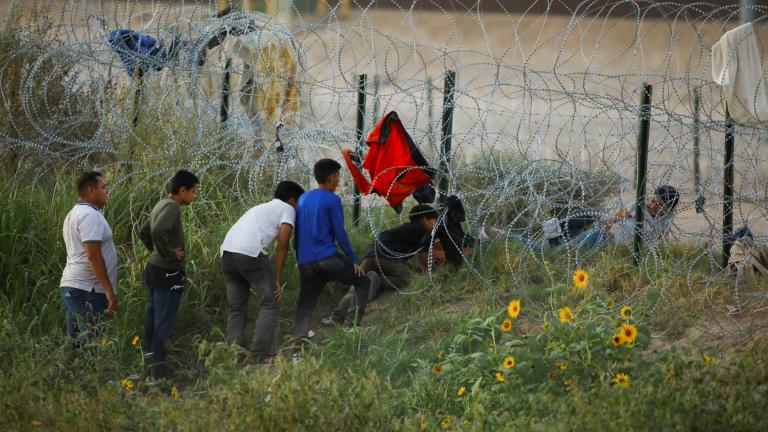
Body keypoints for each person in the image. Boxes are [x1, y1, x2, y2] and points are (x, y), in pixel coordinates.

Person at [220, 180, 305, 362]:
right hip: (250, 253)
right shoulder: (287, 209)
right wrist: (276, 278)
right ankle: (258, 355)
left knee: (236, 307)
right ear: (292, 200)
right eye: (299, 203)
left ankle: (235, 356)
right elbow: (282, 245)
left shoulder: (261, 208)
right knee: (270, 303)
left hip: (226, 253)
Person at [323, 204, 439, 325]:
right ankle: (379, 280)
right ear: (425, 219)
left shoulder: (404, 229)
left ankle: (336, 317)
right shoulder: (423, 232)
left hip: (370, 256)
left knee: (357, 287)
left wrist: (413, 266)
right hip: (387, 258)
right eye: (434, 220)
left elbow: (400, 254)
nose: (434, 224)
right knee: (412, 280)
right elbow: (425, 258)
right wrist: (434, 272)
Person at [292, 159, 370, 339]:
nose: (339, 181)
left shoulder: (303, 198)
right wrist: (353, 259)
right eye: (338, 176)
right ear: (331, 177)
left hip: (306, 261)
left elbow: (298, 233)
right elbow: (339, 233)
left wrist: (300, 259)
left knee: (306, 302)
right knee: (363, 281)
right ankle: (352, 325)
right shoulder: (332, 200)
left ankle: (299, 341)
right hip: (327, 260)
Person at [138, 170, 199, 379]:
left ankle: (147, 372)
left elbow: (144, 232)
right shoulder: (172, 207)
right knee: (163, 326)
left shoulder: (160, 204)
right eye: (193, 191)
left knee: (153, 323)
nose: (195, 195)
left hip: (155, 270)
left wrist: (156, 253)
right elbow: (157, 231)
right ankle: (159, 379)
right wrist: (170, 254)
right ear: (182, 190)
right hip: (168, 273)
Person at [60, 171, 118, 340]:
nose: (107, 191)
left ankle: (73, 367)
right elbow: (93, 255)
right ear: (91, 190)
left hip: (77, 288)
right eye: (103, 187)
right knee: (93, 344)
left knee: (78, 346)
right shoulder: (89, 215)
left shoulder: (75, 213)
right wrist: (109, 291)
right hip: (88, 290)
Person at [573, 185, 680, 251]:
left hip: (625, 252)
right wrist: (604, 232)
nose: (652, 205)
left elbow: (662, 241)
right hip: (607, 239)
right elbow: (616, 217)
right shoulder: (639, 206)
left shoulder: (666, 220)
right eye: (653, 200)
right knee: (568, 248)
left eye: (659, 204)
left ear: (667, 208)